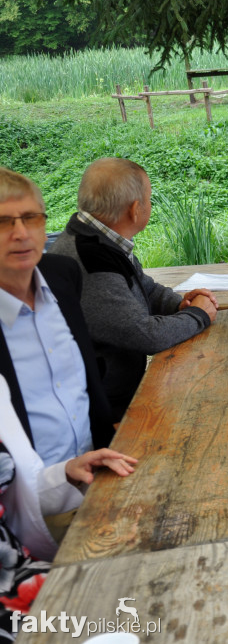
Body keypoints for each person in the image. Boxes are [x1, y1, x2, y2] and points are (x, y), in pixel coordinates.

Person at [50, 158, 218, 420]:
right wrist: (198, 315)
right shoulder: (92, 259)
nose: (150, 205)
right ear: (136, 209)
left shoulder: (99, 236)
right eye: (149, 199)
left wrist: (178, 303)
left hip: (118, 391)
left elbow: (143, 286)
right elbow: (144, 335)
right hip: (107, 408)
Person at [0, 374, 136, 644]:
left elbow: (14, 493)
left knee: (135, 591)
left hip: (21, 573)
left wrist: (68, 472)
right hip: (13, 605)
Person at [0, 167, 115, 467]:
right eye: (3, 222)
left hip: (99, 470)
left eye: (30, 218)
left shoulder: (62, 276)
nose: (21, 233)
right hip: (26, 503)